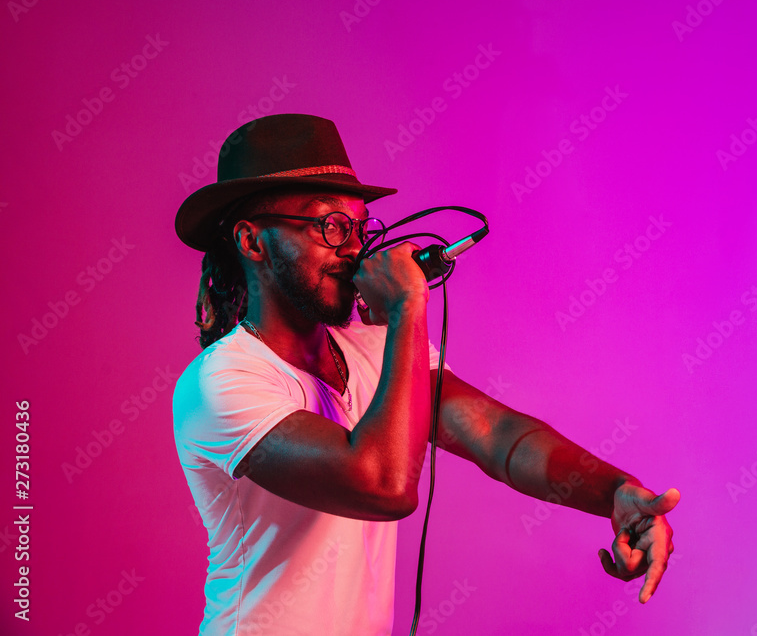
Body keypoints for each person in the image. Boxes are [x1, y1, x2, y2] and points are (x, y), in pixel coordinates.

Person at [172, 113, 680, 635]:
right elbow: (383, 484)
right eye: (329, 225)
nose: (353, 247)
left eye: (359, 226)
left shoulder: (378, 350)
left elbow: (500, 437)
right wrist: (407, 307)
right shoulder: (223, 381)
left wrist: (614, 492)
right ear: (252, 242)